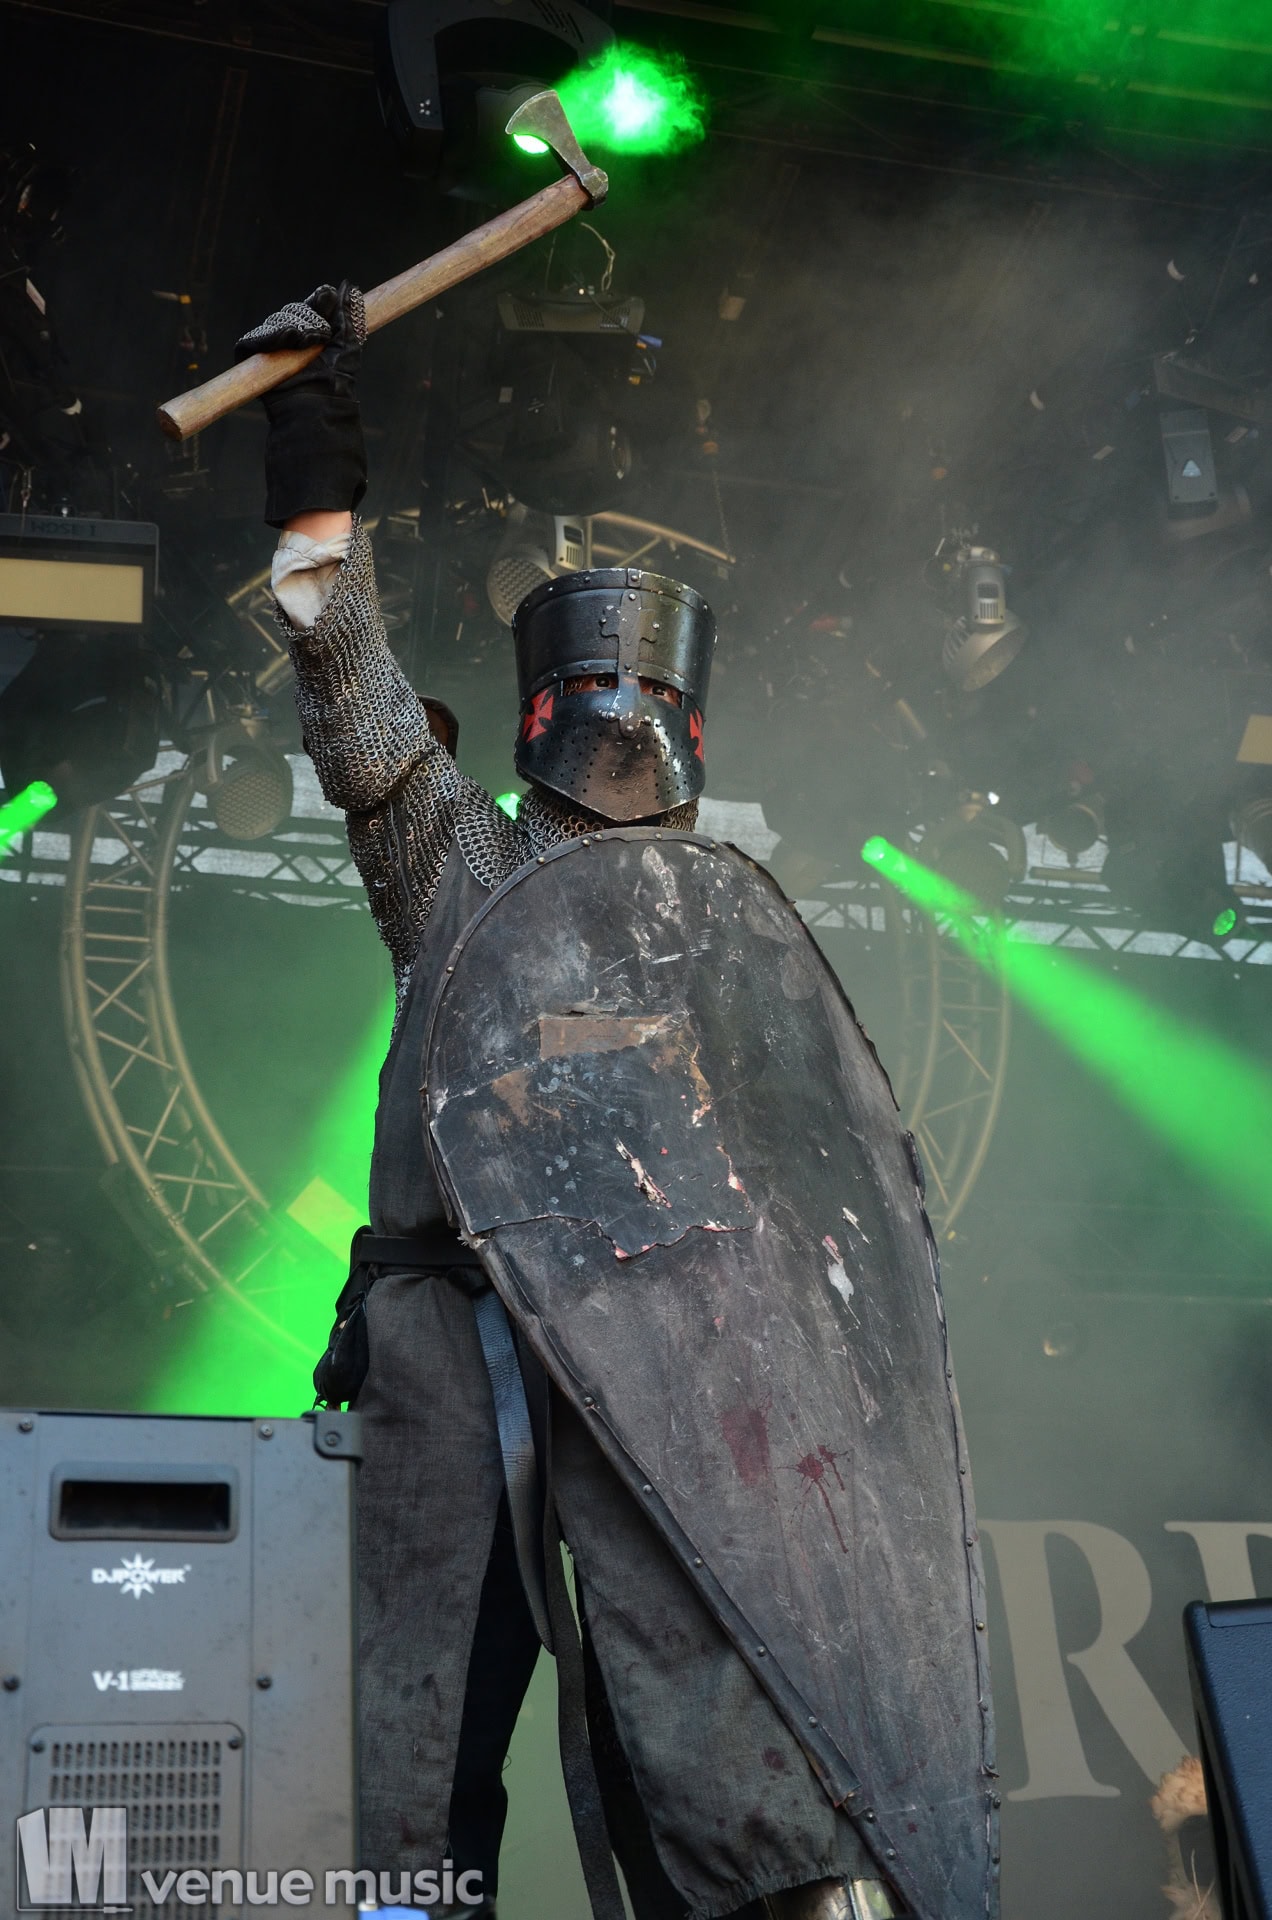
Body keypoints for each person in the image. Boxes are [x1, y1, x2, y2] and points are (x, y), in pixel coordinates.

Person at [241, 281, 933, 1920]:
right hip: (454, 1351)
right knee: (410, 1769)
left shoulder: (724, 929)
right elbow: (358, 702)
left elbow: (815, 1183)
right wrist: (313, 466)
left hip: (666, 1377)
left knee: (719, 1772)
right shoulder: (462, 863)